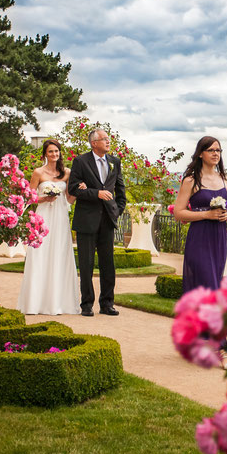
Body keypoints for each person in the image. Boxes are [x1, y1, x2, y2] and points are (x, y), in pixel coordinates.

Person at [173, 135, 227, 369]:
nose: (215, 154)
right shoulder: (191, 180)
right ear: (200, 153)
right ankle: (223, 349)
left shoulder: (223, 177)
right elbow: (179, 213)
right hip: (199, 238)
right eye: (210, 150)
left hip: (218, 239)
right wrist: (206, 215)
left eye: (218, 150)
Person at [17, 139, 83, 315]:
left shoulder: (67, 173)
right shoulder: (38, 172)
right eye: (51, 151)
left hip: (60, 217)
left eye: (57, 151)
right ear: (45, 154)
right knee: (40, 254)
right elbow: (29, 198)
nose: (54, 154)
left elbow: (68, 198)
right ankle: (35, 303)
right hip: (43, 216)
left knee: (60, 254)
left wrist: (79, 191)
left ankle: (59, 303)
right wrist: (44, 198)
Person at [68, 127, 126, 316]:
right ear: (94, 143)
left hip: (108, 221)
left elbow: (120, 191)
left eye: (108, 138)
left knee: (108, 264)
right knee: (86, 264)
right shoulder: (80, 161)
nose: (108, 141)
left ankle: (107, 304)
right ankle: (86, 305)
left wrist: (116, 211)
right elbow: (74, 188)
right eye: (104, 139)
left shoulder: (114, 162)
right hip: (86, 220)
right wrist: (96, 193)